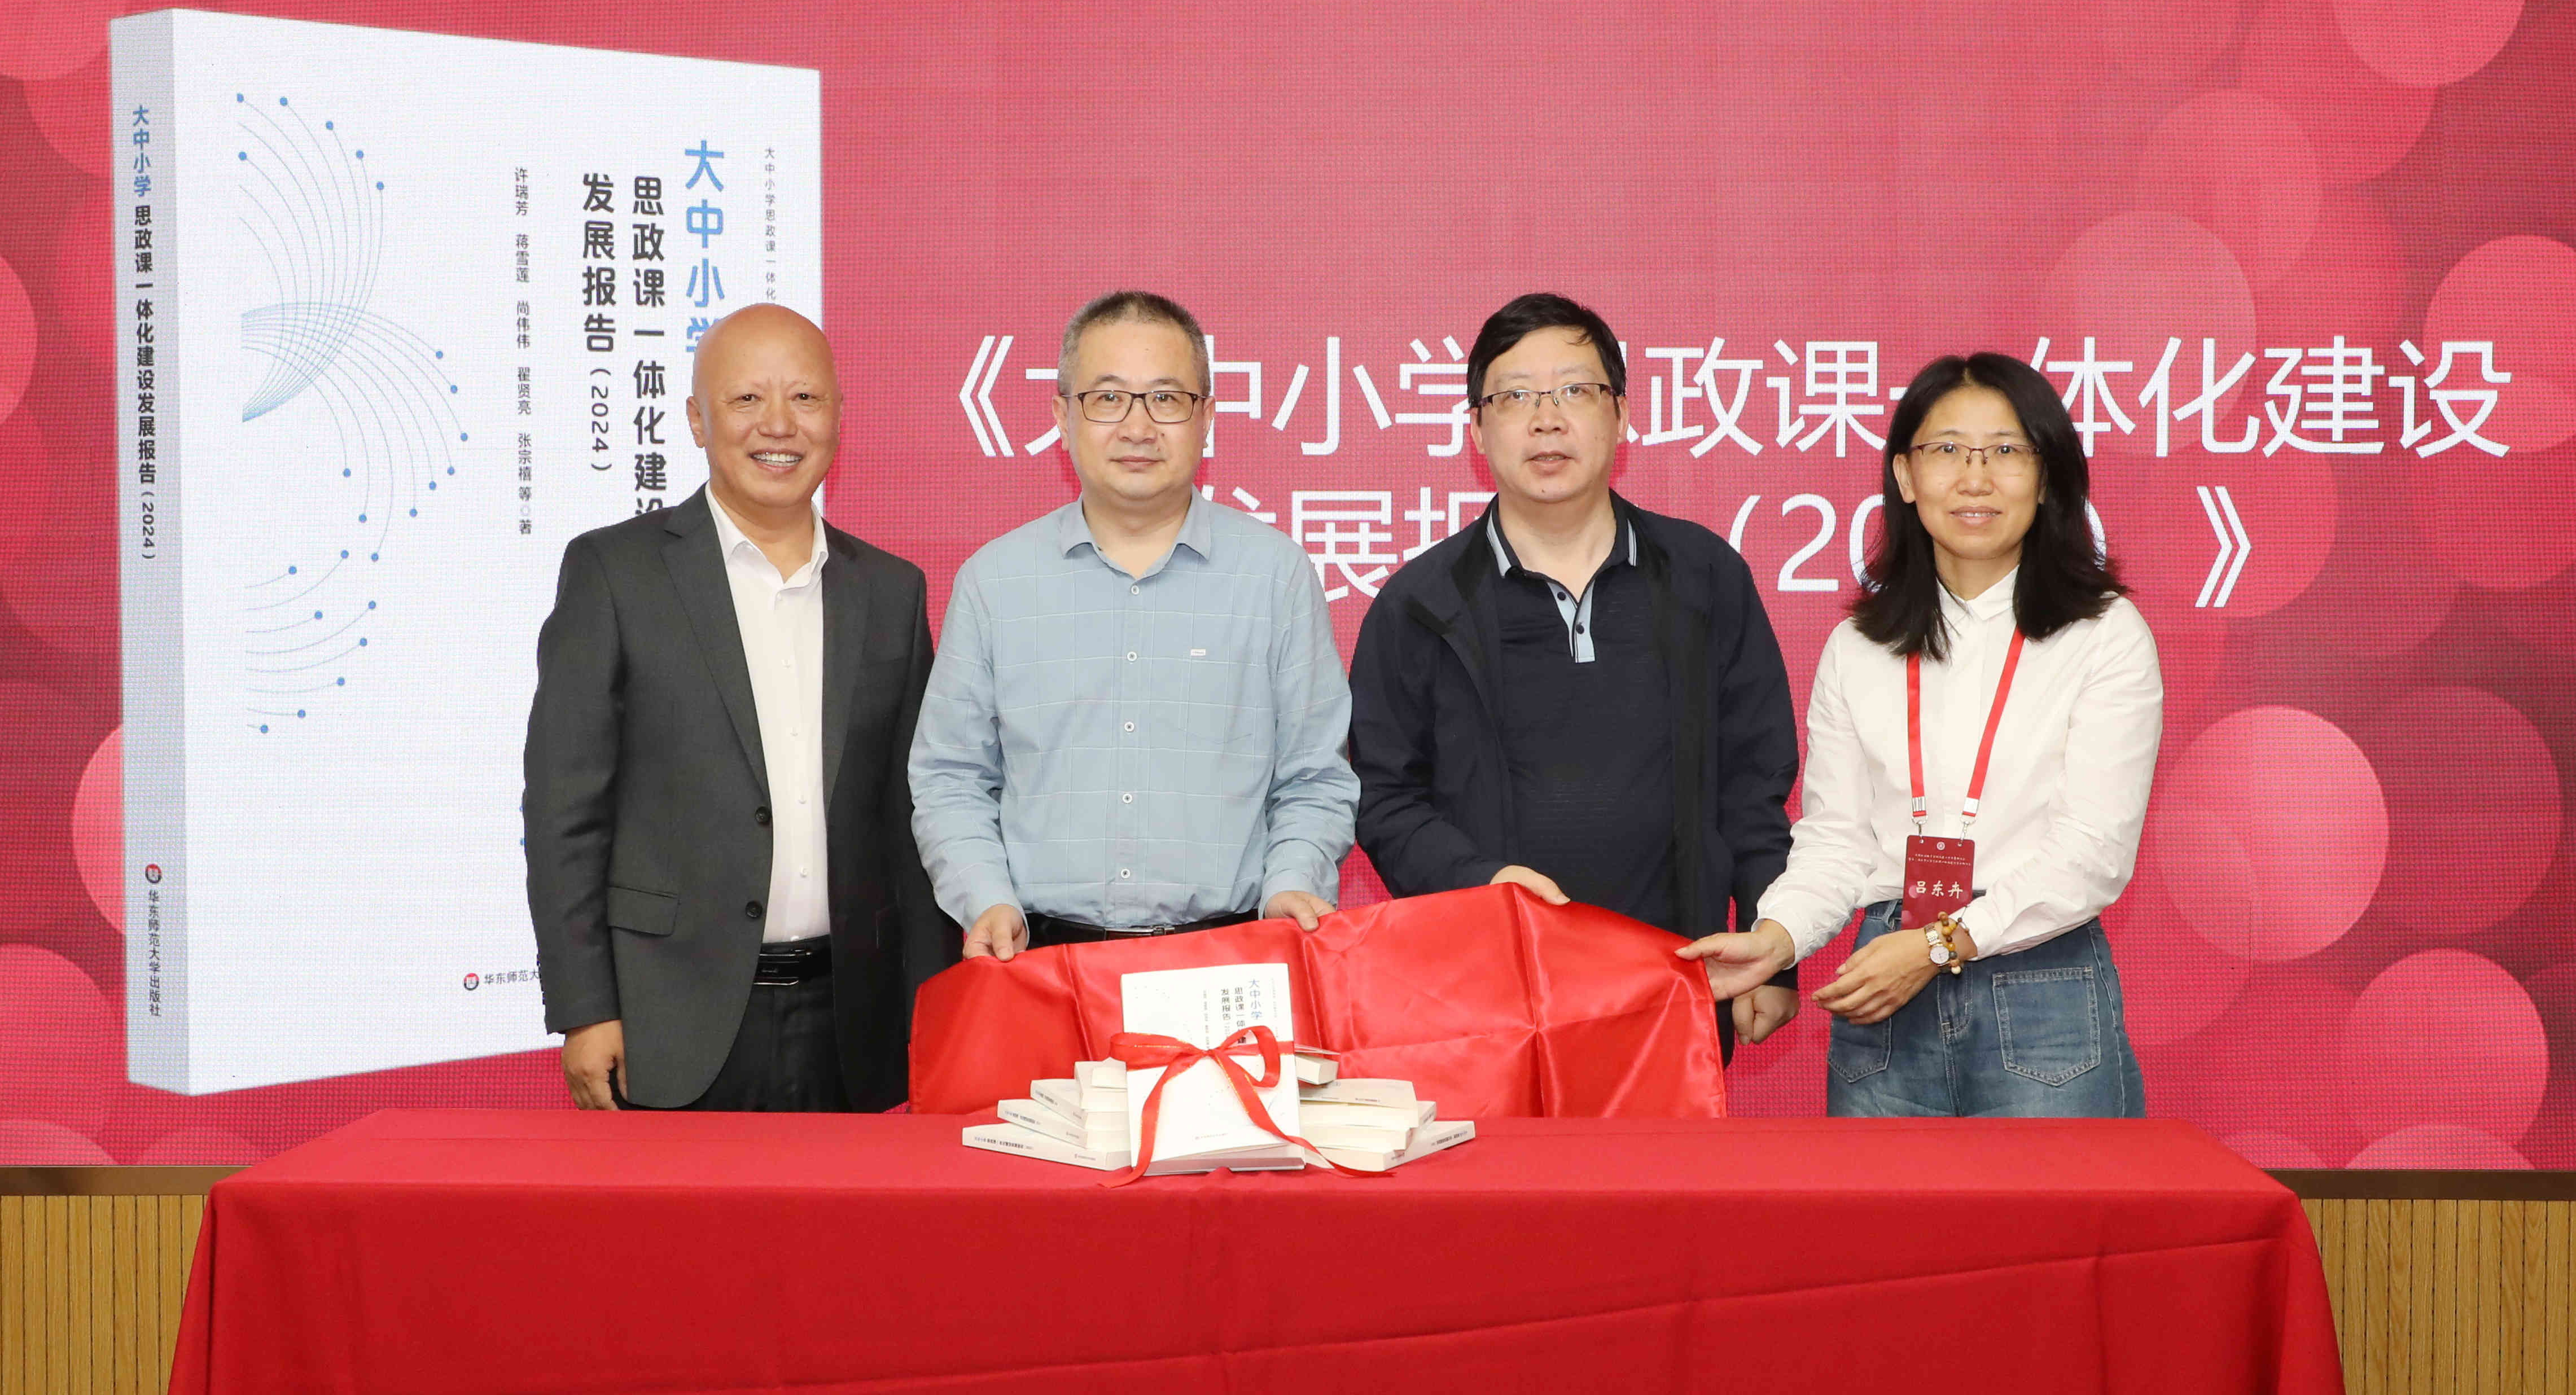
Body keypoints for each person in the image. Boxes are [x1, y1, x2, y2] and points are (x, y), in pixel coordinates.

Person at [1680, 352, 2162, 1116]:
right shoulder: (1860, 644)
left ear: (2047, 476)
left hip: (2039, 984)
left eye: (2005, 450)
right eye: (1947, 450)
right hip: (1883, 983)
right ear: (1905, 475)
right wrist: (1776, 936)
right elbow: (1836, 840)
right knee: (1883, 1203)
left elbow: (2093, 851)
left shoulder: (2103, 633)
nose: (1975, 478)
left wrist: (1940, 943)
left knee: (2055, 1202)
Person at [1350, 292, 1803, 1055]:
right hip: (1484, 1006)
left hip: (1672, 989)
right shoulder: (1419, 604)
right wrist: (1480, 881)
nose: (1546, 419)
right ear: (1476, 429)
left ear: (1621, 413)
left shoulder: (1704, 577)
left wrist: (1771, 945)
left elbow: (1754, 786)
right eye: (1515, 396)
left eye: (1574, 390)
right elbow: (1383, 796)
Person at [523, 304, 949, 1111]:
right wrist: (584, 1007)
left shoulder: (891, 591)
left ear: (839, 416)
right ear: (697, 418)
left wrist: (933, 1006)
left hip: (853, 1025)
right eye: (747, 398)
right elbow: (563, 812)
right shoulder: (615, 573)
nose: (779, 424)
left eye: (805, 398)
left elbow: (912, 818)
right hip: (667, 1017)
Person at [912, 289, 1356, 958]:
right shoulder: (995, 582)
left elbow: (1314, 777)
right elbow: (951, 777)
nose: (1138, 427)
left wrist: (1292, 882)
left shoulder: (1275, 576)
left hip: (1228, 959)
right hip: (1039, 961)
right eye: (1109, 398)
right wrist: (986, 898)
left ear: (1206, 417)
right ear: (1062, 415)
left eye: (1166, 398)